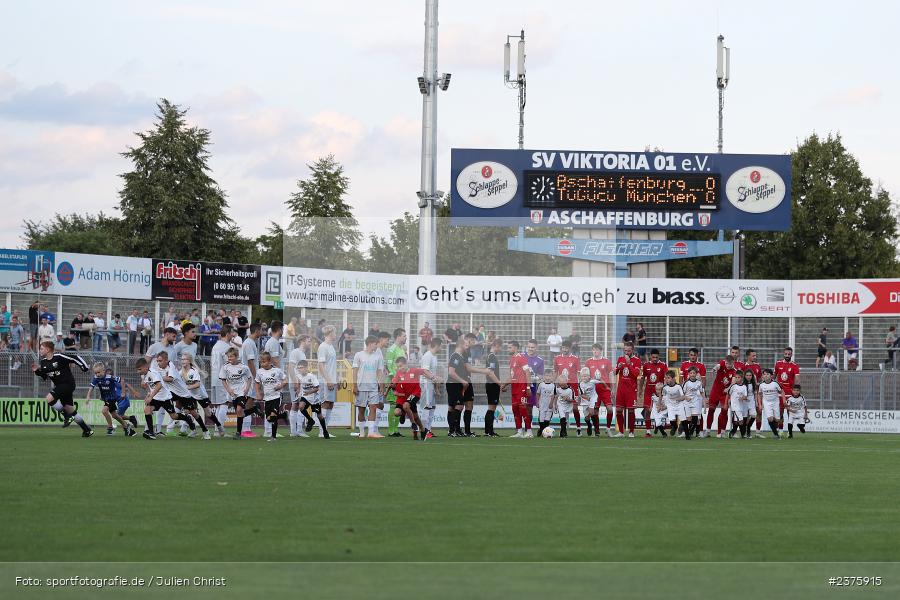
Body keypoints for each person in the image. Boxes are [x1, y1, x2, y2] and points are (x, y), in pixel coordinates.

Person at [32, 342, 92, 436]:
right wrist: (37, 371)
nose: (40, 350)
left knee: (49, 398)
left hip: (68, 384)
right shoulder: (43, 362)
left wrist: (84, 367)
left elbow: (74, 357)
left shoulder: (59, 357)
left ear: (47, 350)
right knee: (70, 409)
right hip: (61, 387)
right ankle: (87, 430)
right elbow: (44, 376)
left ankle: (67, 416)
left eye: (41, 348)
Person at [155, 351, 207, 439]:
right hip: (172, 393)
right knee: (161, 405)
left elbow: (170, 379)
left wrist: (158, 378)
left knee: (193, 413)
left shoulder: (171, 366)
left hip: (183, 393)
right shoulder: (159, 368)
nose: (158, 363)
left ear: (166, 360)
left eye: (160, 361)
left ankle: (205, 431)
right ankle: (155, 430)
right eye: (157, 361)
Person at [390, 356, 437, 441]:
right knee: (399, 413)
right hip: (403, 397)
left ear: (406, 364)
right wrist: (392, 388)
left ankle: (413, 424)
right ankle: (423, 430)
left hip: (415, 394)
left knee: (406, 406)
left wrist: (432, 377)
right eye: (398, 367)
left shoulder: (414, 371)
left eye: (401, 366)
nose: (399, 368)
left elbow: (424, 371)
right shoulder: (398, 373)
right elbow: (393, 384)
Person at [85, 361, 137, 437]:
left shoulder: (110, 377)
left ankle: (110, 428)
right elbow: (91, 387)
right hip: (106, 399)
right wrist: (88, 396)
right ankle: (126, 426)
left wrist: (123, 392)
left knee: (104, 411)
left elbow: (122, 380)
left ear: (103, 371)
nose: (97, 374)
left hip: (112, 398)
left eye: (99, 372)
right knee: (114, 415)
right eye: (95, 373)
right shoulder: (96, 378)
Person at [180, 353, 223, 436]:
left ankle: (219, 425)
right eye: (182, 359)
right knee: (190, 412)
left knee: (208, 414)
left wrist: (187, 388)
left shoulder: (193, 371)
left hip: (201, 395)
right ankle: (197, 430)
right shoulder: (181, 372)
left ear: (189, 361)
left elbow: (197, 384)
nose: (183, 361)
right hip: (191, 395)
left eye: (185, 359)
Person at [352, 335, 385, 438]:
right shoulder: (359, 355)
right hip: (361, 386)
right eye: (375, 344)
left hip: (373, 387)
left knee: (373, 408)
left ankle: (371, 432)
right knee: (361, 410)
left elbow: (379, 372)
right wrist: (355, 385)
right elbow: (355, 371)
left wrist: (381, 385)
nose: (377, 346)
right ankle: (362, 432)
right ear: (370, 344)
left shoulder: (378, 356)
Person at [219, 347, 255, 439]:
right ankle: (254, 409)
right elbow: (223, 380)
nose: (229, 358)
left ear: (236, 356)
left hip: (242, 391)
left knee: (239, 410)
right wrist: (229, 390)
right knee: (240, 413)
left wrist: (247, 389)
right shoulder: (225, 367)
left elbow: (250, 378)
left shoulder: (243, 367)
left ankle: (238, 433)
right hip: (232, 392)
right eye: (228, 357)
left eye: (231, 356)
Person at [255, 351, 289, 441]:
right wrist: (258, 393)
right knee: (269, 419)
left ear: (270, 362)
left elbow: (286, 380)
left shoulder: (277, 371)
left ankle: (273, 437)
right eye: (261, 362)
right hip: (267, 398)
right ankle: (283, 415)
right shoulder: (259, 372)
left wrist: (280, 386)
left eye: (264, 362)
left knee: (273, 416)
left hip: (276, 396)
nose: (262, 364)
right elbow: (257, 382)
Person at [503, 340, 532, 438]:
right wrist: (504, 385)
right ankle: (519, 432)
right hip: (514, 388)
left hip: (522, 387)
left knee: (523, 409)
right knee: (515, 410)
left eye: (510, 347)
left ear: (515, 348)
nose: (508, 349)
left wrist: (528, 387)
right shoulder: (511, 360)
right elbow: (512, 376)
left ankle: (529, 432)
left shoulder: (521, 358)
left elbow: (527, 372)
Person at [614, 341, 642, 438]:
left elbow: (636, 374)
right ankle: (621, 432)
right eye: (625, 350)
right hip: (621, 389)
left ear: (632, 350)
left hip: (631, 389)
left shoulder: (637, 360)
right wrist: (618, 368)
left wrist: (629, 364)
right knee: (618, 410)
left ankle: (631, 432)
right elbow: (615, 373)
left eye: (628, 351)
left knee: (631, 411)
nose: (626, 352)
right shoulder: (620, 359)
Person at [554, 340, 583, 434]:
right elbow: (555, 372)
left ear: (570, 348)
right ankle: (564, 428)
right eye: (563, 348)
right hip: (562, 386)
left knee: (575, 407)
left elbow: (579, 373)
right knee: (562, 406)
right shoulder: (557, 358)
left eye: (566, 348)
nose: (564, 349)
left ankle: (578, 428)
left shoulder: (575, 359)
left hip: (573, 386)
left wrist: (579, 386)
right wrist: (554, 384)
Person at [585, 343, 613, 437]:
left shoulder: (607, 361)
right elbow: (586, 376)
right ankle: (596, 430)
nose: (595, 351)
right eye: (593, 350)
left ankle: (608, 428)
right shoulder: (588, 362)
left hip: (605, 389)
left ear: (601, 351)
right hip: (594, 390)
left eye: (597, 350)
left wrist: (612, 388)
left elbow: (611, 375)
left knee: (610, 409)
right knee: (595, 411)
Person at [638, 348, 667, 438]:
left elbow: (666, 379)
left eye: (656, 357)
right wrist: (640, 389)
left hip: (658, 393)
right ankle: (648, 431)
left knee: (660, 410)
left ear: (659, 357)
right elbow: (643, 378)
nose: (655, 359)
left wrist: (665, 391)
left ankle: (659, 426)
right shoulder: (646, 365)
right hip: (648, 392)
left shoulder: (663, 365)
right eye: (653, 357)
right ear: (650, 356)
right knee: (647, 411)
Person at [241, 323, 263, 437]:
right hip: (249, 377)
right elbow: (250, 362)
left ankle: (246, 428)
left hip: (248, 377)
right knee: (249, 402)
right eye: (261, 330)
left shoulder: (250, 342)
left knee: (250, 401)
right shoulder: (249, 343)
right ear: (257, 331)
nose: (262, 333)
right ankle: (245, 429)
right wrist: (256, 377)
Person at [287, 334, 312, 436]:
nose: (310, 343)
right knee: (299, 404)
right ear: (302, 341)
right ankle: (297, 431)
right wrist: (295, 382)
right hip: (296, 383)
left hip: (301, 383)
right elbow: (290, 367)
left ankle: (295, 431)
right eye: (309, 341)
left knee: (296, 405)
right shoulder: (295, 352)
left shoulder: (302, 354)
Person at [706, 355, 737, 438]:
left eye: (730, 364)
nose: (728, 365)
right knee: (711, 410)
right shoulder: (722, 363)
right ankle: (708, 431)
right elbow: (718, 366)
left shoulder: (734, 371)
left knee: (724, 410)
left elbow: (733, 382)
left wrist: (728, 388)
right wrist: (714, 369)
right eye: (727, 363)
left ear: (733, 363)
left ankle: (721, 432)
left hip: (725, 394)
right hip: (715, 391)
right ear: (725, 361)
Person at [316, 326, 339, 437]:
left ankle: (325, 430)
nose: (336, 335)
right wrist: (328, 380)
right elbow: (321, 365)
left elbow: (332, 365)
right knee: (325, 404)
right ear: (330, 333)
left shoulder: (331, 347)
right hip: (325, 380)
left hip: (332, 380)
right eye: (335, 332)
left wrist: (336, 379)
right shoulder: (323, 347)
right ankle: (322, 431)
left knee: (330, 404)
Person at [385, 328, 408, 437]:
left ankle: (396, 430)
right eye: (404, 336)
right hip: (394, 382)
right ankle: (391, 431)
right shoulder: (391, 350)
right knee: (393, 405)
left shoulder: (402, 349)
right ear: (398, 336)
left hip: (402, 382)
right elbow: (389, 367)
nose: (406, 338)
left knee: (400, 405)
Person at [679, 347, 707, 436]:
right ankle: (684, 431)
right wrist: (681, 392)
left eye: (694, 355)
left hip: (697, 393)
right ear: (689, 355)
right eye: (691, 355)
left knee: (698, 414)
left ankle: (699, 431)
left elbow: (703, 380)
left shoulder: (701, 366)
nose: (693, 357)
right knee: (686, 414)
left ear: (697, 355)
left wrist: (702, 391)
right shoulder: (684, 364)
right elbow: (681, 379)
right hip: (687, 392)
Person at [419, 340, 442, 439]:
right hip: (426, 384)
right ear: (436, 345)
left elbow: (432, 373)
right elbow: (424, 371)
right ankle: (423, 430)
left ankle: (428, 430)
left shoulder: (434, 356)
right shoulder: (427, 356)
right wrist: (434, 378)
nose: (441, 348)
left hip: (431, 385)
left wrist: (436, 387)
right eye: (441, 346)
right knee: (426, 407)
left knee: (432, 408)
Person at [294, 359, 322, 438]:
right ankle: (310, 420)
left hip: (314, 397)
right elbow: (299, 382)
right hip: (305, 396)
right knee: (301, 407)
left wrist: (309, 392)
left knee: (319, 414)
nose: (300, 369)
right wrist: (298, 389)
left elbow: (317, 388)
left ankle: (323, 431)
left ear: (306, 367)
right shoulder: (298, 375)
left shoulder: (311, 376)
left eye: (301, 367)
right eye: (299, 368)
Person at [481, 339, 503, 437]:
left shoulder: (491, 356)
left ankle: (489, 431)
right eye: (500, 347)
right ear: (496, 345)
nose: (501, 349)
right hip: (492, 384)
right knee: (491, 408)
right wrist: (500, 384)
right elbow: (491, 373)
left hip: (492, 384)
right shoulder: (492, 357)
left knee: (492, 408)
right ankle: (488, 431)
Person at [774, 346, 800, 427]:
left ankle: (789, 431)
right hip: (780, 392)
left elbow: (797, 379)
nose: (787, 355)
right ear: (783, 354)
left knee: (790, 412)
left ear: (791, 354)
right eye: (786, 354)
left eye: (789, 354)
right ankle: (780, 430)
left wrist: (796, 391)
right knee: (780, 412)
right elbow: (773, 376)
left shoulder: (794, 365)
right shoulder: (778, 363)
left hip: (790, 392)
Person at [661, 370, 690, 439]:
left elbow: (683, 397)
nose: (666, 379)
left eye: (668, 378)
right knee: (672, 421)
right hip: (670, 406)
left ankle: (687, 435)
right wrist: (662, 405)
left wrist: (678, 399)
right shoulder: (665, 387)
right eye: (666, 378)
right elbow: (663, 396)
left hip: (679, 405)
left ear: (673, 378)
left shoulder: (678, 386)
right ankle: (675, 426)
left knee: (683, 420)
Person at [757, 369, 784, 439]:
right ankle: (776, 434)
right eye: (764, 374)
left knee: (777, 420)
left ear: (771, 376)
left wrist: (784, 401)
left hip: (775, 402)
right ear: (763, 376)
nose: (766, 376)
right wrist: (760, 404)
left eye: (767, 374)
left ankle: (776, 428)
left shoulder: (775, 383)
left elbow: (781, 391)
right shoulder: (761, 385)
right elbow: (759, 394)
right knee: (770, 419)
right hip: (767, 403)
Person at [683, 366, 705, 436]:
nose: (692, 374)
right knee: (688, 419)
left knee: (695, 419)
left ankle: (690, 433)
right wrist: (686, 397)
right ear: (688, 374)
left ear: (696, 374)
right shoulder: (686, 383)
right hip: (687, 402)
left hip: (695, 402)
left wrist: (704, 400)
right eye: (691, 373)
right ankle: (686, 431)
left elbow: (701, 392)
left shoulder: (699, 383)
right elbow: (682, 393)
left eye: (694, 373)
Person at [727, 371, 750, 439]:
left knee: (737, 422)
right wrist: (728, 401)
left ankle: (732, 432)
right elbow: (728, 393)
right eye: (736, 377)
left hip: (742, 406)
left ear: (742, 378)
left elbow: (745, 396)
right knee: (741, 421)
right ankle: (743, 435)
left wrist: (743, 398)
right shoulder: (733, 386)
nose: (737, 379)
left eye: (738, 377)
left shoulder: (744, 387)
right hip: (735, 407)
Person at [577, 368, 599, 436]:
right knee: (586, 418)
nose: (584, 378)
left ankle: (596, 429)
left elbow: (601, 381)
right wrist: (587, 397)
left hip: (592, 399)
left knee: (592, 412)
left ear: (589, 376)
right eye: (583, 376)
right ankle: (589, 425)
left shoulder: (593, 382)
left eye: (585, 376)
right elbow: (581, 394)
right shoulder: (581, 384)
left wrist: (607, 387)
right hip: (585, 401)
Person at [535, 371, 557, 437]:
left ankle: (544, 433)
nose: (548, 377)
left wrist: (552, 403)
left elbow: (554, 395)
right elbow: (538, 394)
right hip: (542, 405)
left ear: (552, 377)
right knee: (541, 420)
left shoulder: (553, 385)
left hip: (550, 405)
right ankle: (541, 430)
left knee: (547, 420)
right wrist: (537, 402)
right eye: (546, 376)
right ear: (544, 376)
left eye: (549, 376)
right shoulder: (541, 384)